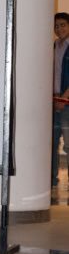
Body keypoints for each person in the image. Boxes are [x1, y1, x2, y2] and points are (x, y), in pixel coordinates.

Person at [52, 12, 69, 186]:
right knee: (51, 143)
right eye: (56, 26)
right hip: (52, 100)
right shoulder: (53, 46)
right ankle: (51, 180)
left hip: (66, 102)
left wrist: (63, 99)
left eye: (63, 25)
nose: (59, 29)